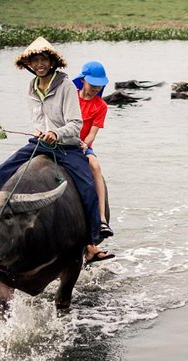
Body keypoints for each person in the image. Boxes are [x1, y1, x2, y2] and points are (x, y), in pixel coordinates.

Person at [0, 36, 104, 254]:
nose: (40, 64)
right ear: (29, 65)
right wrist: (41, 133)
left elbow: (75, 124)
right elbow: (37, 121)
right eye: (35, 60)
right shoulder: (32, 87)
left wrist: (56, 134)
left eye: (44, 59)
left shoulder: (66, 86)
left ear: (52, 62)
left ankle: (92, 238)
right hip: (39, 143)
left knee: (87, 186)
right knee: (1, 171)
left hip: (66, 145)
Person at [73, 61, 115, 265]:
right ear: (83, 81)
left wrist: (84, 145)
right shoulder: (70, 97)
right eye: (93, 84)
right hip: (59, 140)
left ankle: (101, 219)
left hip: (82, 146)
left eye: (99, 85)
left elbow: (92, 134)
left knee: (95, 166)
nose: (96, 88)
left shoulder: (101, 106)